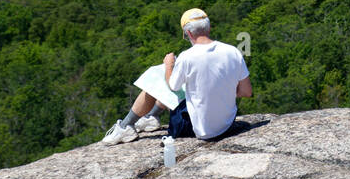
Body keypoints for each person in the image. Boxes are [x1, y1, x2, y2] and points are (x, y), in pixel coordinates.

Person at [101, 8, 252, 145]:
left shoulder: (187, 57)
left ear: (189, 33)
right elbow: (246, 92)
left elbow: (172, 86)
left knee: (156, 79)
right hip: (227, 125)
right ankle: (151, 117)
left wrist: (169, 65)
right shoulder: (233, 52)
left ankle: (126, 126)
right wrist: (220, 90)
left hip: (201, 130)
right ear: (209, 28)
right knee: (187, 84)